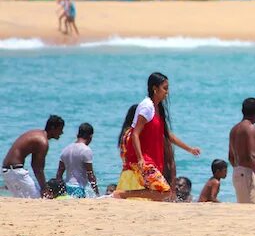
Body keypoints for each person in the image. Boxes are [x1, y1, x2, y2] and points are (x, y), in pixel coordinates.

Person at [115, 73, 201, 201]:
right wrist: (140, 158)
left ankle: (123, 195)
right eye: (165, 88)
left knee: (158, 194)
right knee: (164, 191)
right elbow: (135, 133)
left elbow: (167, 135)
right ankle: (123, 194)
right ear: (155, 89)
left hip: (152, 159)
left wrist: (189, 149)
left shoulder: (158, 108)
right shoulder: (147, 106)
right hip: (143, 159)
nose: (167, 92)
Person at [2, 115, 64, 198]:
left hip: (7, 171)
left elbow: (34, 165)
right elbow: (38, 168)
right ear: (53, 128)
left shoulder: (38, 134)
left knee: (24, 199)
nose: (62, 132)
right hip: (15, 172)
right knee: (38, 198)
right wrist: (44, 189)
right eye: (60, 129)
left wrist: (43, 187)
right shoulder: (43, 141)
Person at [228, 97, 255, 204]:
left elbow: (230, 157)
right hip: (246, 173)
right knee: (250, 209)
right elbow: (252, 156)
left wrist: (239, 169)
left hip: (237, 172)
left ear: (242, 111)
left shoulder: (234, 129)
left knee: (243, 209)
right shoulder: (250, 128)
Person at [55, 122, 99, 198]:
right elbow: (90, 175)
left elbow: (59, 175)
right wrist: (97, 193)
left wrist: (61, 191)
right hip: (79, 189)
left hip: (67, 188)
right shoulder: (86, 150)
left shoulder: (65, 149)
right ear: (90, 136)